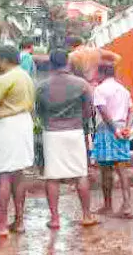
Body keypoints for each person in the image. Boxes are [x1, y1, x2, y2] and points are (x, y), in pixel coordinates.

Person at [36, 49, 98, 229]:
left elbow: (39, 111)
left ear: (51, 64)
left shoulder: (42, 86)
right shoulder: (82, 85)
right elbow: (89, 110)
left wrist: (49, 121)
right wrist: (79, 121)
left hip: (52, 133)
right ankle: (86, 215)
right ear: (67, 63)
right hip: (75, 131)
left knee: (52, 177)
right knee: (80, 174)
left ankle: (55, 219)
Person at [0, 46, 35, 237]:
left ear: (4, 60)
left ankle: (2, 225)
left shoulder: (5, 79)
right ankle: (19, 222)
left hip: (5, 127)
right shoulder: (25, 76)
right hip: (23, 124)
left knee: (2, 176)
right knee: (18, 174)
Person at [92, 62, 133, 219]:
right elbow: (132, 111)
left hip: (106, 129)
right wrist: (127, 128)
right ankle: (127, 205)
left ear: (101, 73)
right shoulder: (123, 90)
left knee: (105, 170)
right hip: (122, 127)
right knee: (122, 168)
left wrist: (114, 130)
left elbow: (103, 112)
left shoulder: (99, 90)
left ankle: (108, 205)